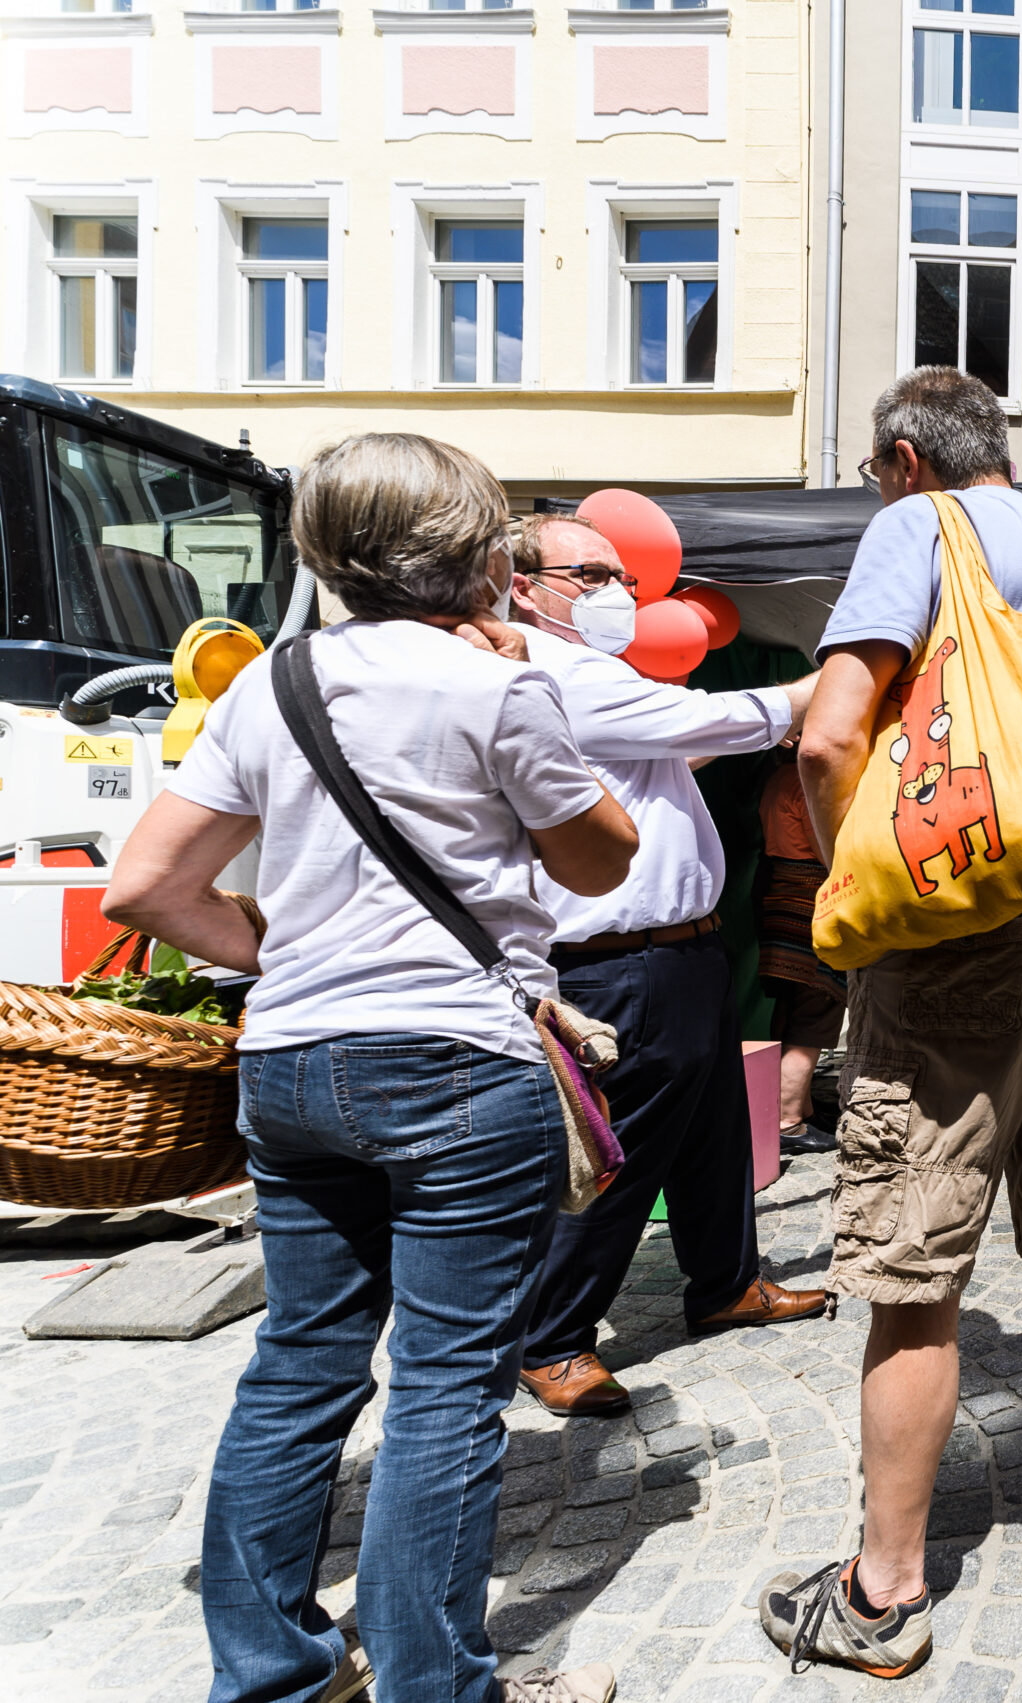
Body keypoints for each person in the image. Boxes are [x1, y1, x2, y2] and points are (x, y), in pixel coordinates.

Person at [103, 434, 635, 1703]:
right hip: (456, 1059)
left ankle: (275, 1671)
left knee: (299, 1361)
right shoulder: (495, 688)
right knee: (447, 1386)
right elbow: (600, 860)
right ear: (472, 552)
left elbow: (146, 885)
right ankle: (434, 1682)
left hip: (292, 1062)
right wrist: (538, 696)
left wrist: (281, 951)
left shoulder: (273, 683)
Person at [759, 367, 1022, 1682]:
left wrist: (852, 891)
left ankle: (882, 1596)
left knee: (915, 1265)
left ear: (901, 457)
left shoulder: (918, 528)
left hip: (961, 917)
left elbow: (830, 739)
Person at [503, 513, 829, 1419]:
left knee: (716, 1131)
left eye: (620, 575)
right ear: (524, 584)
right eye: (589, 574)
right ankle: (554, 1337)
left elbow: (676, 743)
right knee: (625, 1148)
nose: (614, 590)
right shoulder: (549, 671)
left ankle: (725, 1281)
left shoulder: (597, 673)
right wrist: (825, 684)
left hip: (682, 947)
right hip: (618, 959)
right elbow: (712, 714)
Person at [757, 753, 845, 1151]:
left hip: (780, 893)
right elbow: (826, 846)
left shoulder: (775, 778)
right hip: (810, 897)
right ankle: (788, 1120)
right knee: (816, 1008)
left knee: (793, 1008)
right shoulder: (801, 779)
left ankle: (802, 1108)